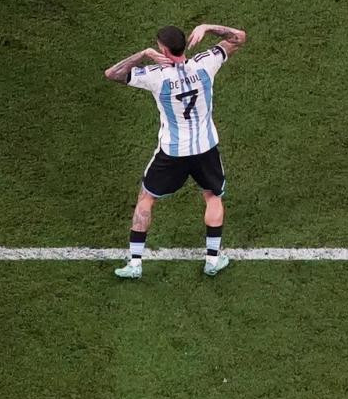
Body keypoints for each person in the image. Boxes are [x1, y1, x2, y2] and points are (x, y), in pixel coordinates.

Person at [103, 23, 248, 279]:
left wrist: (143, 55)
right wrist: (208, 27)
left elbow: (112, 74)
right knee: (213, 196)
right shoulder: (205, 63)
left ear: (162, 49)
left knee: (146, 198)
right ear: (186, 43)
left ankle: (135, 263)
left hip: (172, 152)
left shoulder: (155, 75)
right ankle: (212, 260)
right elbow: (239, 38)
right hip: (206, 148)